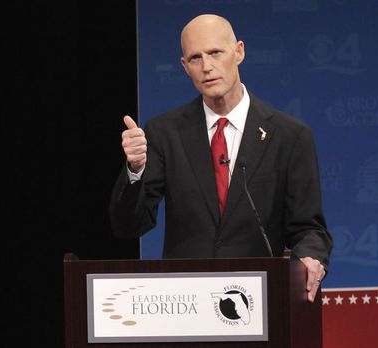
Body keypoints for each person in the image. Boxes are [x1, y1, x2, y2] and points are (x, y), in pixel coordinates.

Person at [109, 14, 333, 302]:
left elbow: (308, 229)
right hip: (186, 304)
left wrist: (310, 258)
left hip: (261, 302)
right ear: (184, 67)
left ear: (239, 51)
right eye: (195, 58)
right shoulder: (165, 133)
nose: (207, 67)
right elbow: (129, 226)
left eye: (215, 52)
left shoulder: (289, 136)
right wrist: (135, 170)